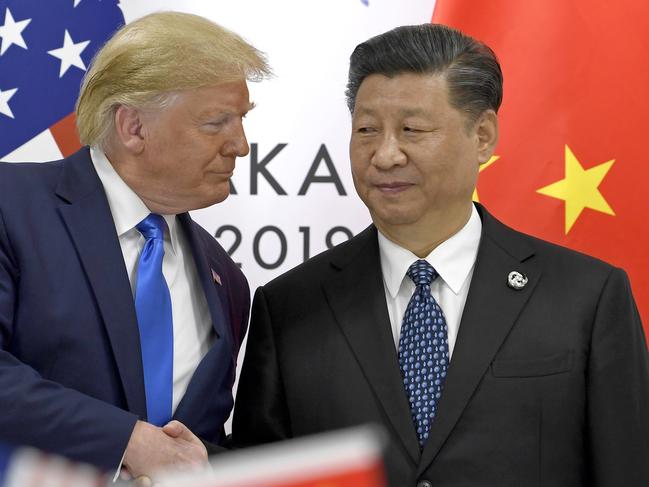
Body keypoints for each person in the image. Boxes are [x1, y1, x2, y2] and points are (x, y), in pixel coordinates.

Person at [232, 24, 649, 486]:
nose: (386, 155)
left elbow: (627, 467)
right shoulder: (290, 306)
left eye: (412, 129)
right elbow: (261, 473)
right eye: (367, 130)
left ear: (483, 135)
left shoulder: (585, 296)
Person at [0, 11, 270, 481]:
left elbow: (197, 447)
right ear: (133, 127)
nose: (241, 145)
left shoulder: (226, 279)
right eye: (216, 123)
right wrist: (125, 440)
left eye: (241, 120)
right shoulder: (10, 206)